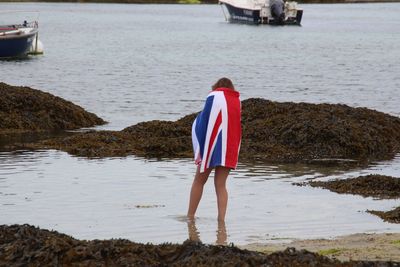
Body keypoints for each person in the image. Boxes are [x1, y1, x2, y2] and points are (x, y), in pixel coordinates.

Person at [187, 77, 241, 222]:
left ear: (215, 87)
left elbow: (205, 122)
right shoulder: (236, 101)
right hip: (228, 147)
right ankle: (221, 220)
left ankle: (190, 216)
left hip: (211, 146)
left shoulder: (213, 96)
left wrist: (201, 148)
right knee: (221, 184)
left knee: (199, 181)